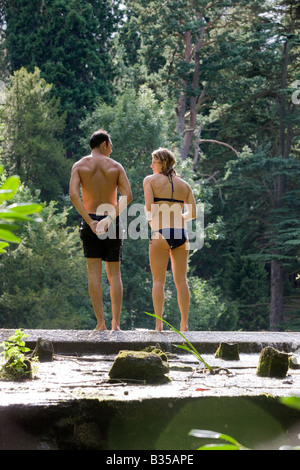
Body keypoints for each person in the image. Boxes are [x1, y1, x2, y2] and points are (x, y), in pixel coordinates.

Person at [69, 129, 132, 331]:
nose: (111, 151)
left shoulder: (79, 166)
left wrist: (90, 221)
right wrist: (109, 219)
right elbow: (127, 196)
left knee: (93, 274)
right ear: (104, 144)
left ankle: (100, 323)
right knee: (114, 275)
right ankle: (116, 324)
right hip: (111, 221)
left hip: (90, 223)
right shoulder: (115, 167)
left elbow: (73, 195)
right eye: (110, 146)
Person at [143, 148, 196, 331]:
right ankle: (184, 324)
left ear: (162, 163)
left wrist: (150, 219)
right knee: (182, 281)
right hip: (181, 235)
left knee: (158, 281)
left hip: (160, 233)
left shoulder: (149, 181)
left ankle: (159, 325)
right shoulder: (185, 185)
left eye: (154, 162)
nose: (151, 166)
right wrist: (180, 217)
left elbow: (149, 207)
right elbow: (193, 213)